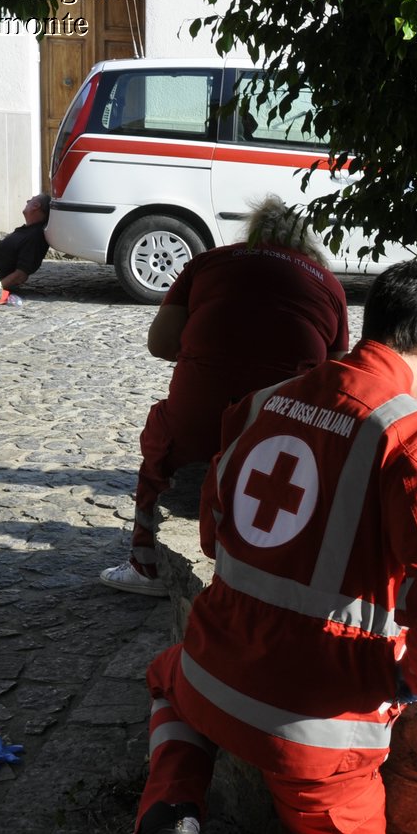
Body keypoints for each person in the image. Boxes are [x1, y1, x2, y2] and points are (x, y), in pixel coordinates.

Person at [131, 256, 417, 834]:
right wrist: (410, 680)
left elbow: (215, 540)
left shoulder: (262, 401)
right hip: (315, 727)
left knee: (168, 677)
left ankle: (168, 826)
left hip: (213, 673)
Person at [100, 196, 352, 597]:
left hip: (199, 421)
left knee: (160, 436)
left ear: (252, 233)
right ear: (306, 243)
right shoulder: (328, 284)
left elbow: (160, 343)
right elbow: (337, 374)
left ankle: (147, 565)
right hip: (279, 429)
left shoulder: (210, 262)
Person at [0, 192, 50, 288]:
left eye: (31, 200)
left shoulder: (35, 236)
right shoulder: (28, 230)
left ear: (36, 206)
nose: (27, 201)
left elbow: (21, 275)